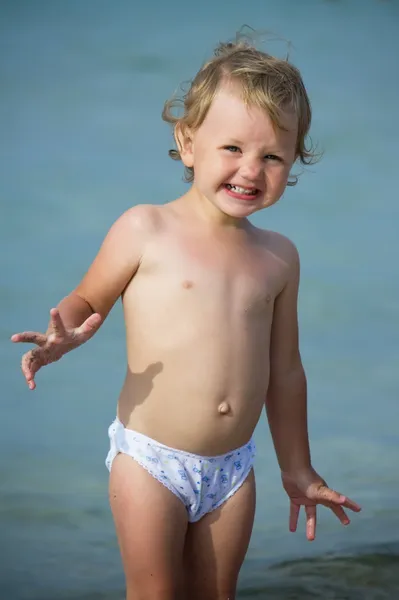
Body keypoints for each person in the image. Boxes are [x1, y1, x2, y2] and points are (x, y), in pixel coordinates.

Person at [11, 34, 361, 600]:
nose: (252, 169)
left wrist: (298, 469)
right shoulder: (145, 228)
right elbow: (86, 299)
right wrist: (63, 336)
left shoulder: (279, 257)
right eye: (233, 149)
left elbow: (286, 370)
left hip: (232, 469)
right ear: (188, 141)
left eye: (272, 155)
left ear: (295, 160)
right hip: (152, 462)